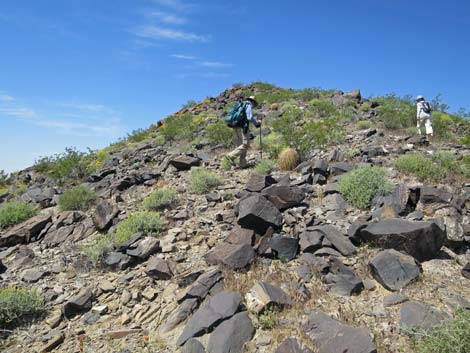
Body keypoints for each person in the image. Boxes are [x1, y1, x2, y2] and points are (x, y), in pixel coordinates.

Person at [224, 96, 262, 168]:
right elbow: (249, 117)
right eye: (254, 104)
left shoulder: (242, 104)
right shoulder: (248, 104)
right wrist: (257, 123)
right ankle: (230, 156)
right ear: (253, 102)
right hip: (242, 127)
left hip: (236, 126)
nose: (254, 106)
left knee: (241, 145)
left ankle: (243, 164)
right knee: (246, 144)